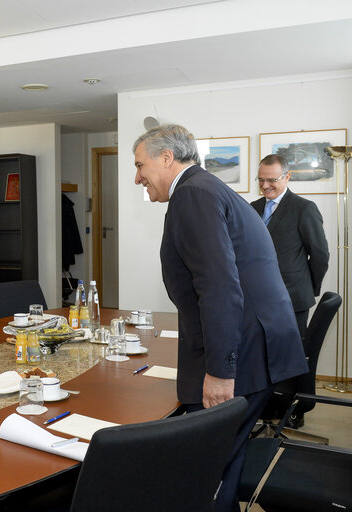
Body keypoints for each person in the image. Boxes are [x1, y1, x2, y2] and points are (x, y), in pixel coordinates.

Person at [133, 124, 308, 512]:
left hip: (241, 356)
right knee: (220, 465)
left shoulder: (193, 195)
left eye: (140, 165)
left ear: (166, 158)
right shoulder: (204, 189)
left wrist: (220, 371)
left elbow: (219, 287)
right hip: (253, 345)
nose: (137, 177)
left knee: (203, 469)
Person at [251, 154, 329, 343]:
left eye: (272, 180)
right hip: (258, 299)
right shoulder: (252, 208)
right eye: (261, 179)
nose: (265, 185)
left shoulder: (304, 209)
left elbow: (320, 255)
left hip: (293, 301)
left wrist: (308, 287)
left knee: (290, 361)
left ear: (287, 177)